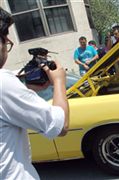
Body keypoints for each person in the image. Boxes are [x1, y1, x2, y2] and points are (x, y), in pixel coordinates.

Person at [0, 7, 69, 179]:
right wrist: (59, 81)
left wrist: (25, 86)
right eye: (5, 37)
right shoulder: (3, 83)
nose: (7, 42)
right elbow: (60, 125)